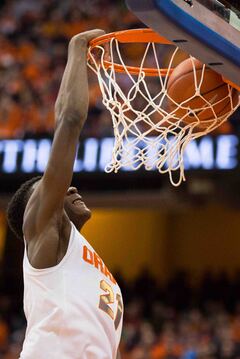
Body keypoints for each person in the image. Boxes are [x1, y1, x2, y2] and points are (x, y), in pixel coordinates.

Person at [7, 30, 123, 359]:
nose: (68, 187)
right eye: (50, 191)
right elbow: (69, 120)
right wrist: (77, 49)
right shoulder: (43, 235)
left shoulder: (87, 262)